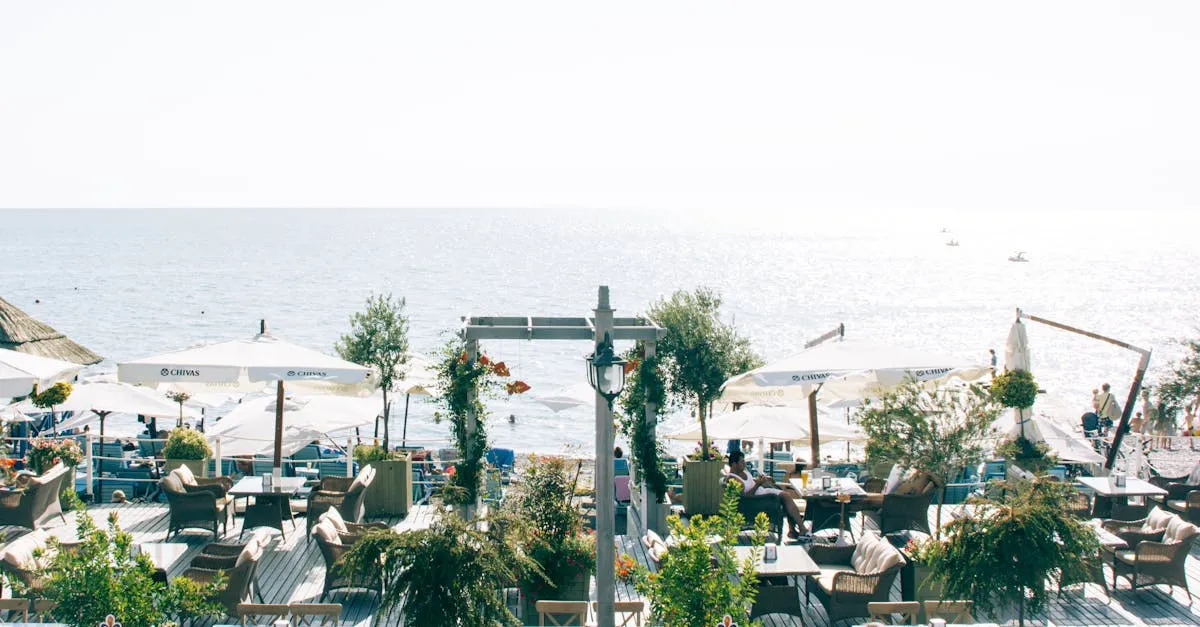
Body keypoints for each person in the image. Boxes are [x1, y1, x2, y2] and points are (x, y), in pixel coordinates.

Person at [725, 450, 804, 539]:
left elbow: (750, 482)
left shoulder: (742, 471)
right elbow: (745, 497)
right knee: (786, 496)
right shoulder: (733, 479)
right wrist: (759, 484)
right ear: (734, 464)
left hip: (761, 495)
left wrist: (762, 480)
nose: (745, 464)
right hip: (759, 501)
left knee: (785, 498)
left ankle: (793, 530)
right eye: (742, 462)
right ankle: (801, 528)